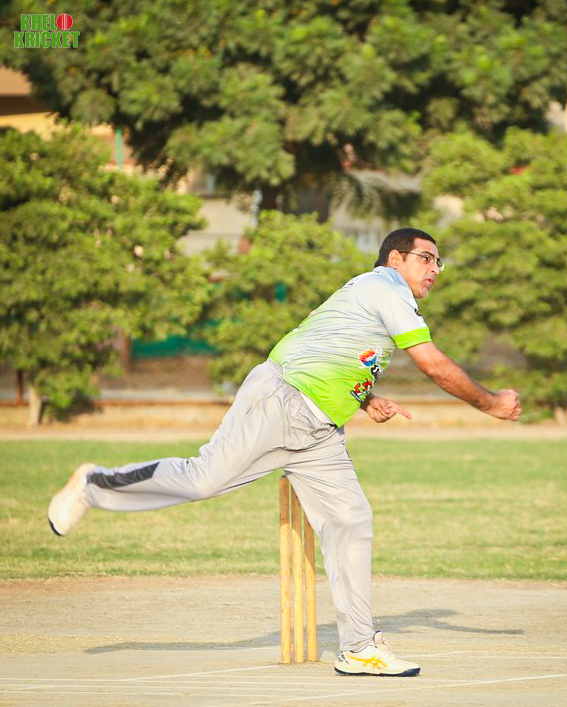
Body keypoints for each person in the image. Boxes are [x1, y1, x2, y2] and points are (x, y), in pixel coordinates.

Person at [48, 227, 521, 677]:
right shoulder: (387, 286)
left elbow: (327, 344)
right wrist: (491, 403)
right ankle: (95, 484)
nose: (435, 268)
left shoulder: (369, 292)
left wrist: (365, 398)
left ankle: (359, 648)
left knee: (350, 520)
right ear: (395, 258)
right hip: (286, 400)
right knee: (202, 479)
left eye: (439, 262)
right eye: (426, 258)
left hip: (320, 429)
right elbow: (433, 365)